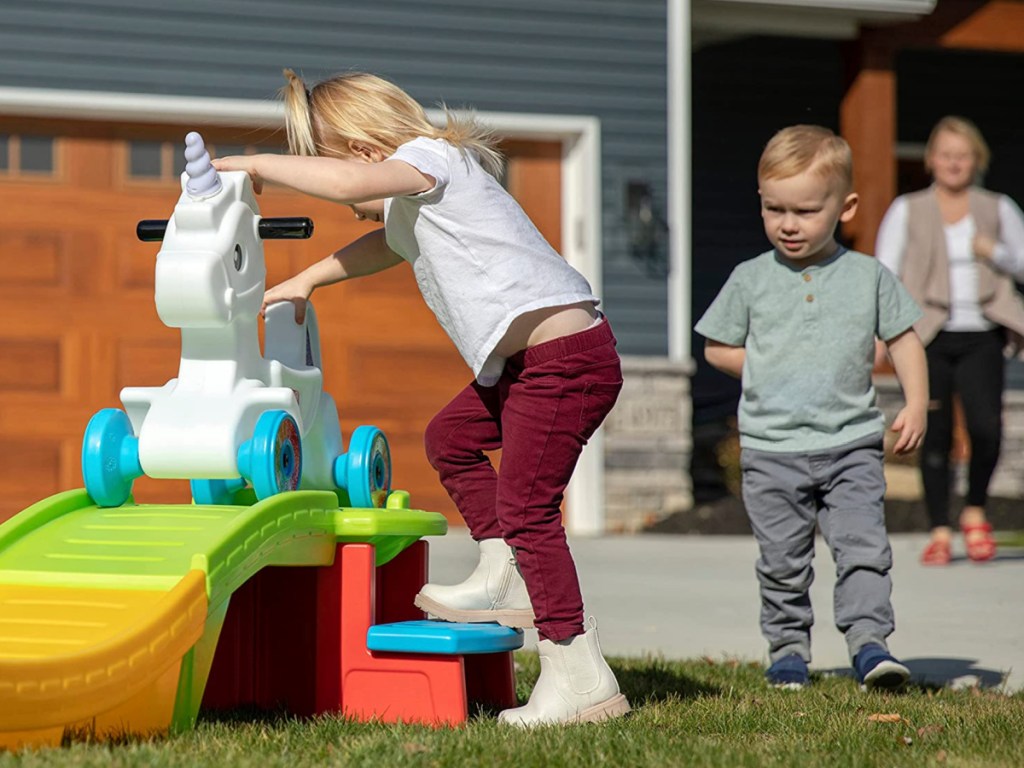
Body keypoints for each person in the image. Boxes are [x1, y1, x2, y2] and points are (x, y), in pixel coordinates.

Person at [212, 69, 630, 726]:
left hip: (564, 364)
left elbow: (355, 191)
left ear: (363, 150)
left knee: (528, 508)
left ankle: (578, 672)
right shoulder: (412, 204)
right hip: (529, 366)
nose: (342, 199)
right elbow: (383, 243)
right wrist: (311, 279)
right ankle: (504, 568)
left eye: (329, 171)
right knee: (452, 438)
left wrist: (256, 162)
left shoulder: (433, 158)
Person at [695, 125, 928, 691]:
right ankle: (788, 652)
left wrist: (916, 402)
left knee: (864, 550)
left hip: (850, 445)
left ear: (844, 207)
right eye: (774, 209)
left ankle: (871, 646)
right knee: (782, 562)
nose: (788, 224)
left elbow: (904, 339)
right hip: (773, 451)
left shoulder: (868, 276)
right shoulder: (750, 279)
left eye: (804, 210)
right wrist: (766, 367)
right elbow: (716, 347)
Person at [876, 116, 1024, 566]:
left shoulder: (998, 207)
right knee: (933, 433)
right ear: (931, 160)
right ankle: (939, 528)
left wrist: (992, 251)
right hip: (927, 333)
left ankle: (975, 509)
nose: (954, 163)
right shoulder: (907, 208)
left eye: (962, 155)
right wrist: (882, 335)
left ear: (976, 160)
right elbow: (884, 271)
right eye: (946, 154)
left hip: (981, 332)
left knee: (987, 428)